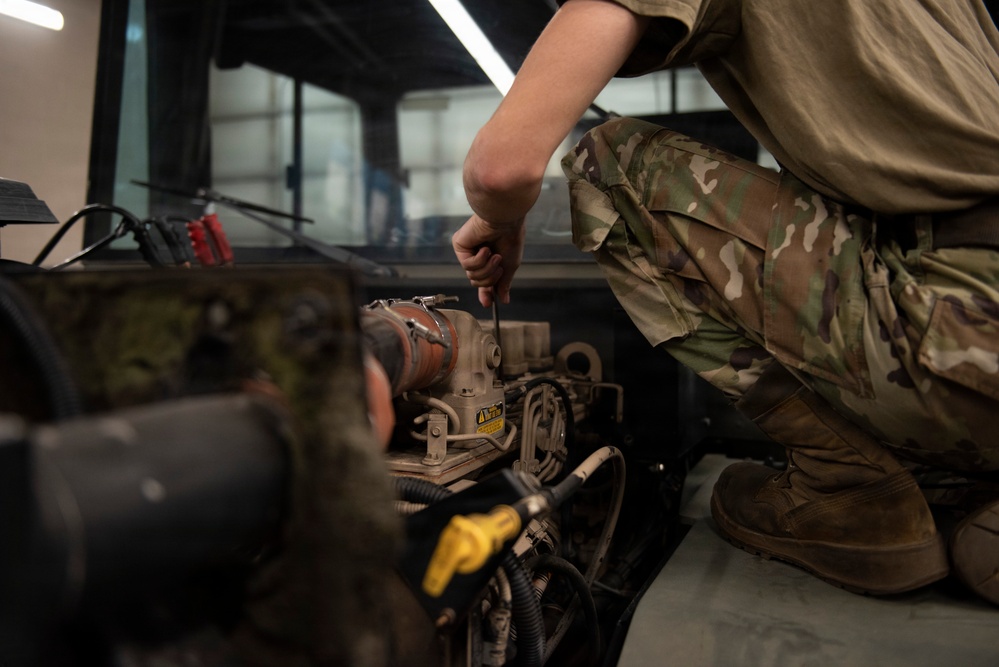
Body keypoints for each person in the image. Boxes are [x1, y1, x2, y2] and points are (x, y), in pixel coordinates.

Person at [451, 0, 999, 603]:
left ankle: (845, 488)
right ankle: (961, 483)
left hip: (957, 321)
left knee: (607, 166)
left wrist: (498, 217)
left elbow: (501, 168)